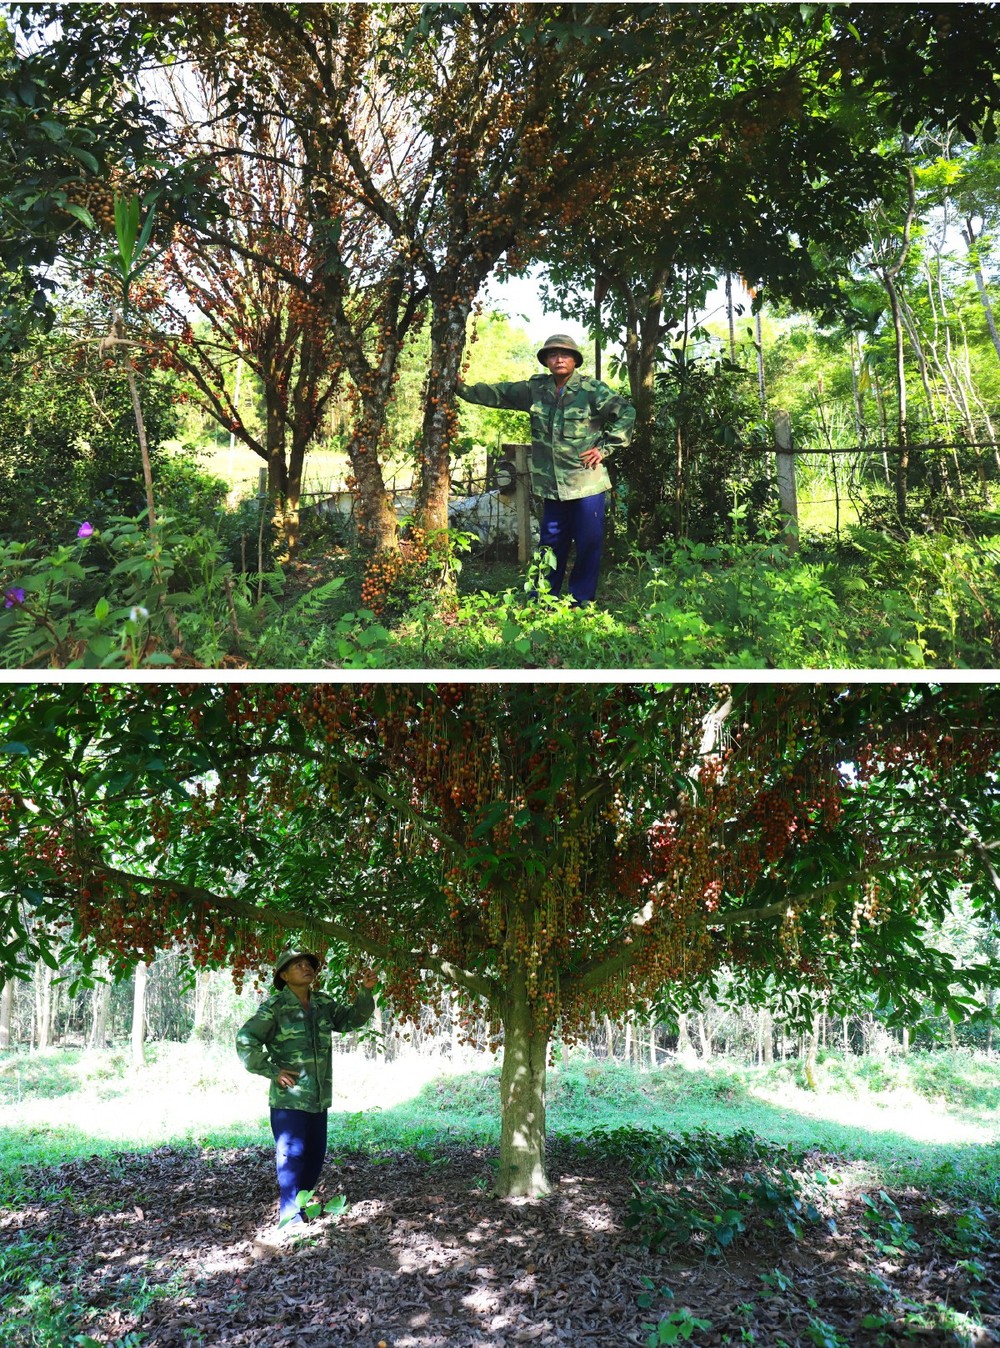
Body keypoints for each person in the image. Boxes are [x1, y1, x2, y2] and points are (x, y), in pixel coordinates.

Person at [456, 332, 635, 604]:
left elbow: (625, 412)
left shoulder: (591, 390)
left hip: (587, 483)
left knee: (588, 543)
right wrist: (461, 389)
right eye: (552, 354)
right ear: (546, 361)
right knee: (550, 545)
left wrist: (604, 448)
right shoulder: (535, 390)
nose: (559, 359)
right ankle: (542, 597)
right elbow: (499, 393)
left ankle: (580, 601)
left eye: (564, 354)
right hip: (552, 486)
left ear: (574, 360)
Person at [237, 949, 377, 1235]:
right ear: (283, 975)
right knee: (291, 1155)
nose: (306, 968)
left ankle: (301, 1204)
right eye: (297, 965)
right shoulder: (274, 1008)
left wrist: (365, 992)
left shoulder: (323, 1003)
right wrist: (272, 1070)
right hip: (289, 1099)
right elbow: (245, 1040)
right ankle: (290, 1216)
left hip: (318, 1097)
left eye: (309, 964)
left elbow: (352, 1020)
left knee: (315, 1154)